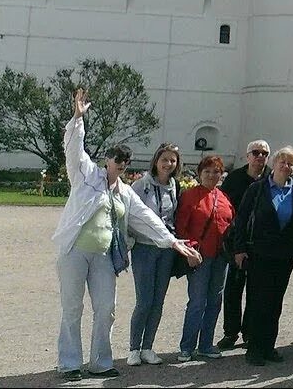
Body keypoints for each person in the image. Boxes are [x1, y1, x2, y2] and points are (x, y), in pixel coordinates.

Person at [53, 89, 199, 382]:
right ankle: (69, 363)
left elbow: (147, 218)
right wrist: (78, 119)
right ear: (106, 159)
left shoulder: (125, 192)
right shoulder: (84, 175)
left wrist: (172, 241)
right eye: (117, 158)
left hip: (104, 256)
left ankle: (100, 362)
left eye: (126, 161)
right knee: (73, 307)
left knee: (106, 309)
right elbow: (73, 149)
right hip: (74, 252)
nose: (121, 164)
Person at [230, 145, 293, 367]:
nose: (286, 166)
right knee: (257, 301)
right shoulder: (257, 189)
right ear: (273, 164)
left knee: (275, 302)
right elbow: (242, 220)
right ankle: (254, 348)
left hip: (283, 255)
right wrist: (239, 249)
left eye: (290, 163)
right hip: (259, 253)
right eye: (282, 161)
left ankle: (268, 346)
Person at [127, 142, 183, 367]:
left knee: (158, 301)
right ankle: (133, 348)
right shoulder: (141, 185)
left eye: (172, 160)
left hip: (166, 250)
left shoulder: (174, 186)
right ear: (156, 160)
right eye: (165, 159)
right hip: (144, 248)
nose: (168, 164)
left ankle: (148, 347)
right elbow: (129, 213)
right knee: (144, 301)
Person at [175, 154, 235, 360]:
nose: (211, 175)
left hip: (221, 258)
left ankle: (206, 344)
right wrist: (190, 251)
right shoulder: (190, 196)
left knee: (214, 301)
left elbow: (230, 225)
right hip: (200, 257)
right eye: (207, 171)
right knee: (198, 301)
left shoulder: (224, 198)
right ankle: (187, 346)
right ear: (200, 173)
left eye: (216, 171)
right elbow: (181, 228)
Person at [215, 140, 269, 350]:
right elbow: (223, 207)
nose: (260, 156)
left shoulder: (271, 177)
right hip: (237, 241)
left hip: (261, 242)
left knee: (256, 289)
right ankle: (230, 332)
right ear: (247, 156)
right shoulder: (235, 178)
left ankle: (249, 331)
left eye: (264, 153)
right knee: (233, 289)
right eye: (255, 152)